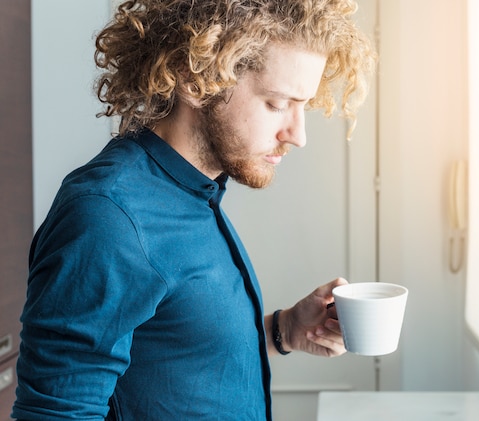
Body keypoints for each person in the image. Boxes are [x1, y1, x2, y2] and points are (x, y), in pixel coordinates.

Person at [12, 0, 375, 420]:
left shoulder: (193, 190)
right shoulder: (109, 216)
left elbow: (169, 354)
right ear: (196, 77)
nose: (298, 135)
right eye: (277, 104)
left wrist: (285, 329)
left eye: (303, 106)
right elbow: (55, 414)